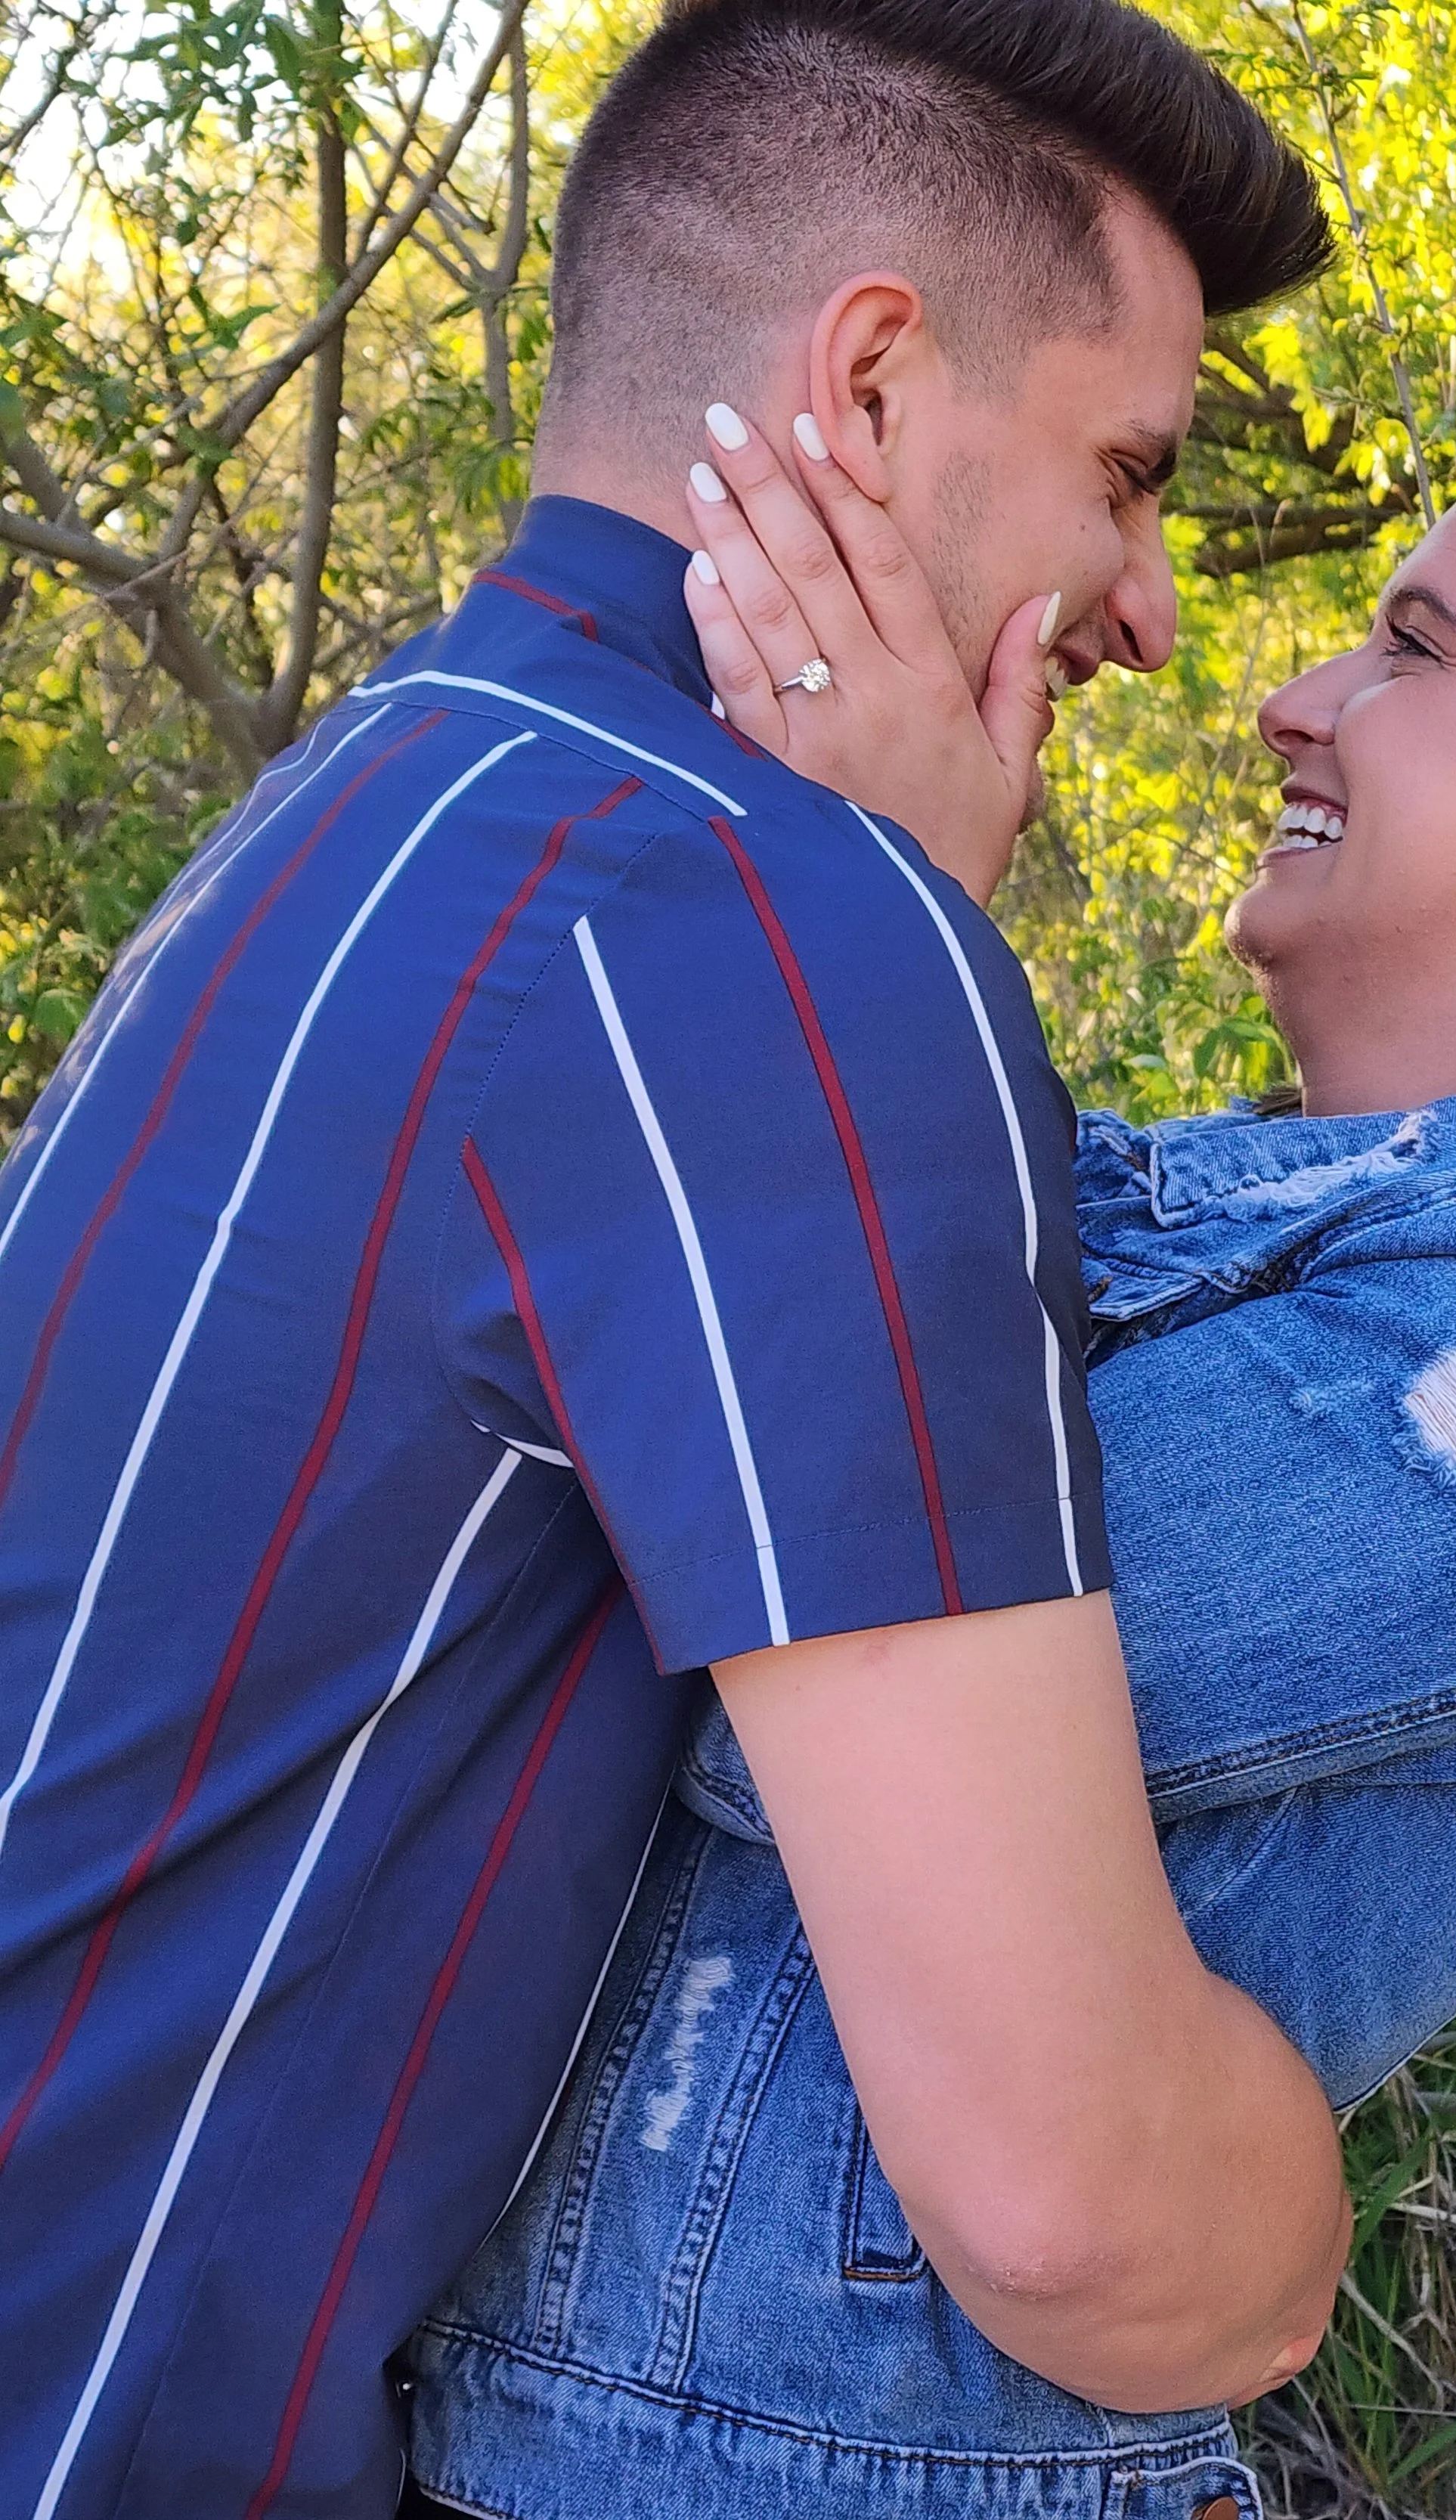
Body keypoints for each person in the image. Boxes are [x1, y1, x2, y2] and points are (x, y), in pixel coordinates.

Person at [0, 7, 1354, 2517]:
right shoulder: (758, 931)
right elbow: (1085, 2219)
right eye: (1128, 476)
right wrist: (1298, 2221)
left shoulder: (386, 787)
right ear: (873, 378)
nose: (1156, 613)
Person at [404, 437, 1456, 2518]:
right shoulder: (1198, 1193)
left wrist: (876, 940)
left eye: (1411, 651)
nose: (1291, 696)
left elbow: (827, 1670)